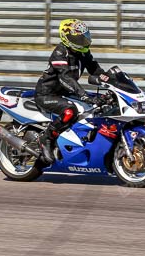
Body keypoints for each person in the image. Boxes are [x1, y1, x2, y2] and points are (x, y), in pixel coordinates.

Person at [35, 19, 111, 163]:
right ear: (67, 38)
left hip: (65, 92)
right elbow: (65, 78)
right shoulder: (60, 52)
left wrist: (111, 80)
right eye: (79, 38)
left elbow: (95, 69)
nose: (83, 41)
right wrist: (83, 95)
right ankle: (46, 139)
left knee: (99, 105)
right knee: (69, 111)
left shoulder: (83, 53)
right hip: (47, 94)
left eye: (84, 37)